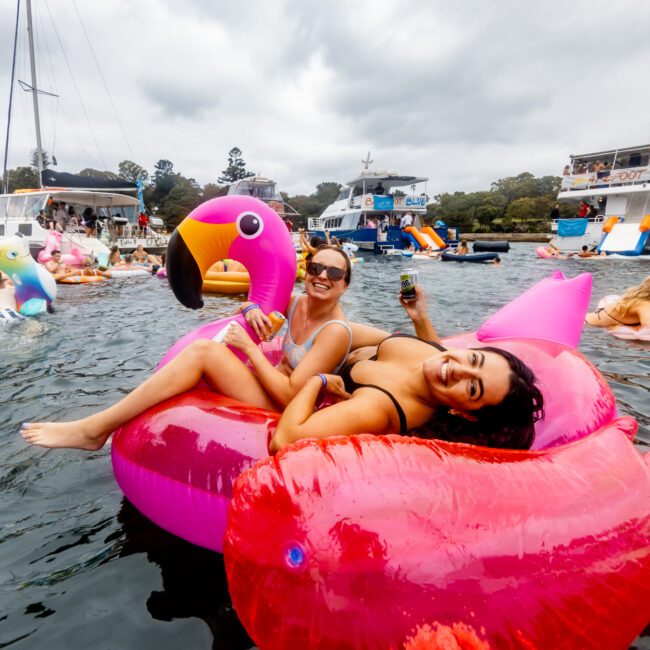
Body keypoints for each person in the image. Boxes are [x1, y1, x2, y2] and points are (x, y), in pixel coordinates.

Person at [21, 246, 355, 451]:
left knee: (202, 353)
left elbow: (291, 397)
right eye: (315, 268)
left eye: (334, 272)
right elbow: (250, 305)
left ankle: (94, 429)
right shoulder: (297, 303)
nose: (322, 275)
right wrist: (251, 309)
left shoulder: (335, 332)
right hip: (269, 385)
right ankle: (113, 425)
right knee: (199, 361)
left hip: (288, 407)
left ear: (344, 285)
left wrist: (250, 351)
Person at [269, 285, 544, 453]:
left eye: (472, 388)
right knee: (309, 309)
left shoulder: (379, 408)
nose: (459, 369)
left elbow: (283, 441)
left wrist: (316, 381)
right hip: (339, 345)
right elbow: (442, 353)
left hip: (310, 372)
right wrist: (420, 316)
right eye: (473, 360)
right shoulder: (441, 360)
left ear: (466, 414)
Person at [585, 277, 650, 328]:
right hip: (585, 325)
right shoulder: (643, 305)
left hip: (585, 321)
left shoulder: (637, 299)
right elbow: (648, 329)